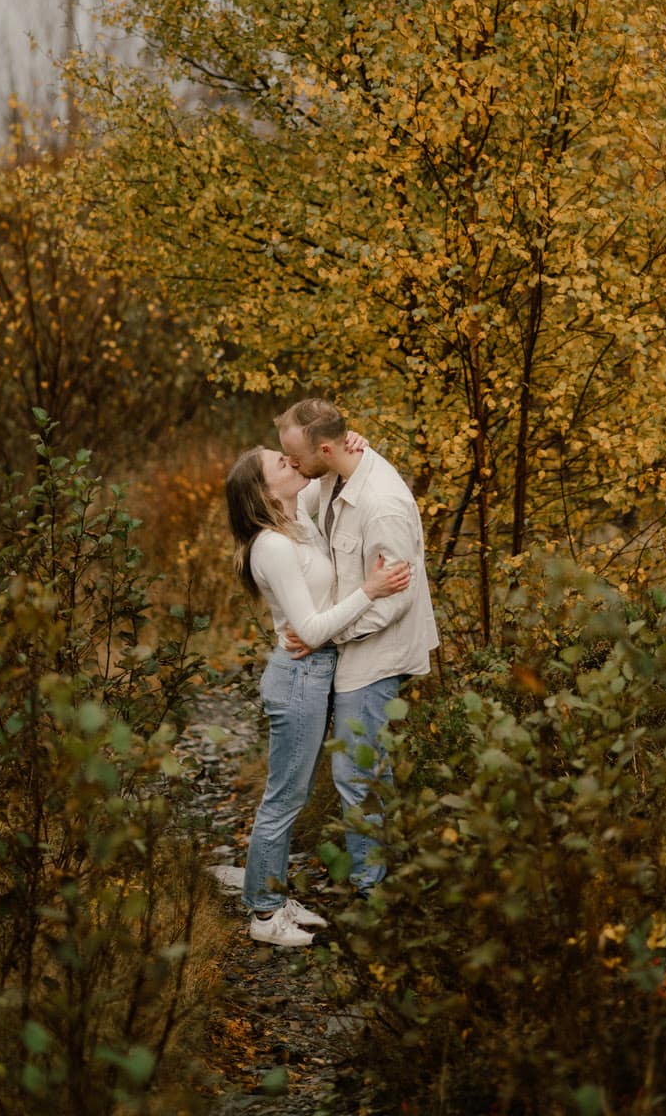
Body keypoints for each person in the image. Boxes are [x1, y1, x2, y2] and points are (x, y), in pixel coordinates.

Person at [225, 445, 410, 947]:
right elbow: (308, 627)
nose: (293, 463)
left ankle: (272, 895)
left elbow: (329, 477)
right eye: (281, 464)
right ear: (265, 492)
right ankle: (264, 915)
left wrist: (354, 444)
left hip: (313, 670)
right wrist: (370, 590)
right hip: (300, 676)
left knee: (292, 793)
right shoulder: (273, 546)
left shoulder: (299, 517)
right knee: (285, 797)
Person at [276, 399, 439, 894]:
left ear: (326, 448)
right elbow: (284, 492)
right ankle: (394, 874)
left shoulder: (382, 504)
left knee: (354, 771)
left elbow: (396, 600)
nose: (292, 466)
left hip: (377, 653)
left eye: (296, 458)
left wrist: (324, 630)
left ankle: (375, 893)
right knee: (367, 768)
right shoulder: (329, 474)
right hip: (350, 643)